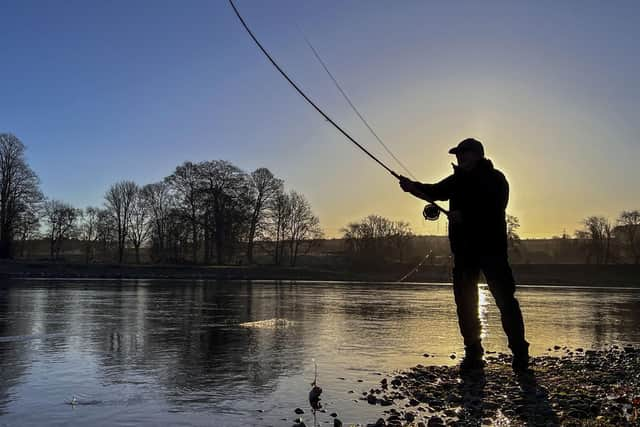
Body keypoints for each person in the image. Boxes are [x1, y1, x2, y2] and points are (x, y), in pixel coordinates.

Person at [399, 138, 529, 373]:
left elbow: (495, 208)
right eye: (458, 154)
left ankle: (520, 353)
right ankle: (473, 353)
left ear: (478, 154)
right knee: (465, 304)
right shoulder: (456, 180)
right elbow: (434, 191)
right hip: (464, 253)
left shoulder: (496, 179)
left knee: (506, 302)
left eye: (464, 153)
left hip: (492, 251)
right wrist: (411, 187)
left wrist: (465, 217)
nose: (460, 157)